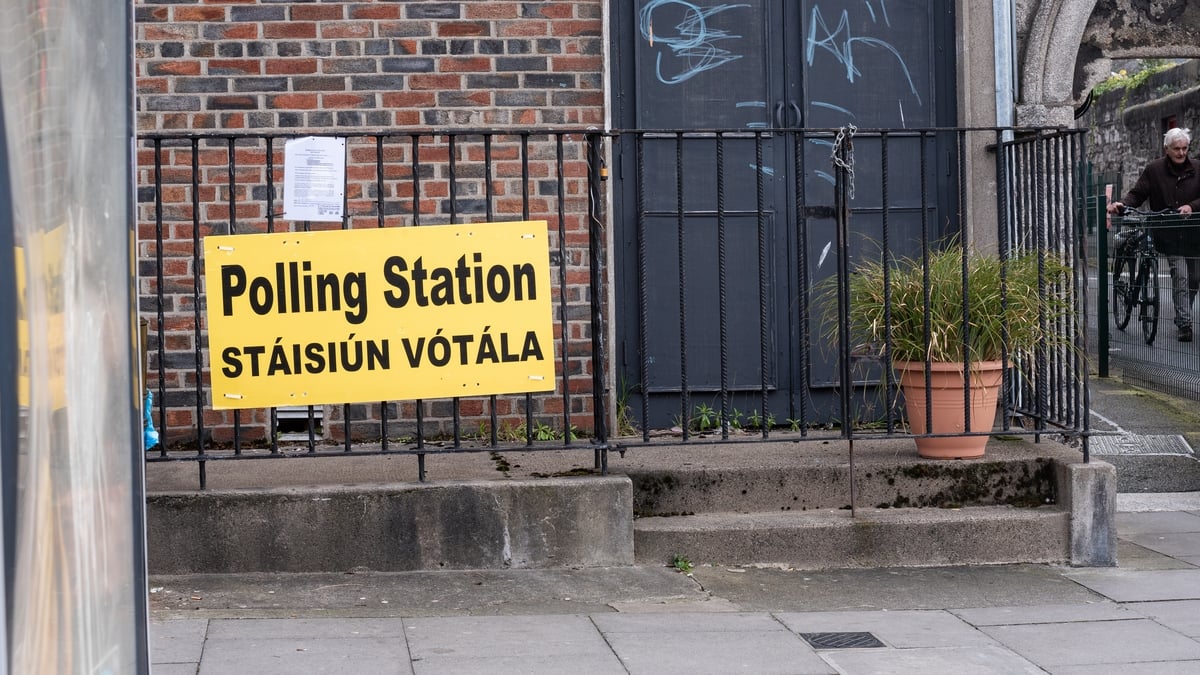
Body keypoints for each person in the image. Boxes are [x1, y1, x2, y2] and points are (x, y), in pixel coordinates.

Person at [1108, 127, 1200, 342]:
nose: (1181, 153)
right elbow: (1138, 193)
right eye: (1176, 149)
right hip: (1167, 234)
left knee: (1195, 278)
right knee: (1180, 275)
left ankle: (1182, 313)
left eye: (1184, 148)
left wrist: (1191, 206)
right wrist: (1123, 204)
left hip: (1194, 234)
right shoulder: (1154, 169)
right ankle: (1185, 323)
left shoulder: (1197, 168)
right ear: (1166, 148)